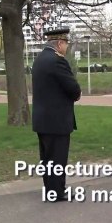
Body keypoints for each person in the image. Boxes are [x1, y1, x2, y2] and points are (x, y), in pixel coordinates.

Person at [32, 28, 81, 202]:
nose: (66, 47)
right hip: (57, 120)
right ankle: (58, 193)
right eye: (66, 43)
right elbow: (73, 89)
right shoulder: (57, 61)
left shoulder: (39, 60)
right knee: (58, 159)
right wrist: (77, 93)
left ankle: (50, 189)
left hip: (42, 119)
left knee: (47, 159)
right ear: (59, 43)